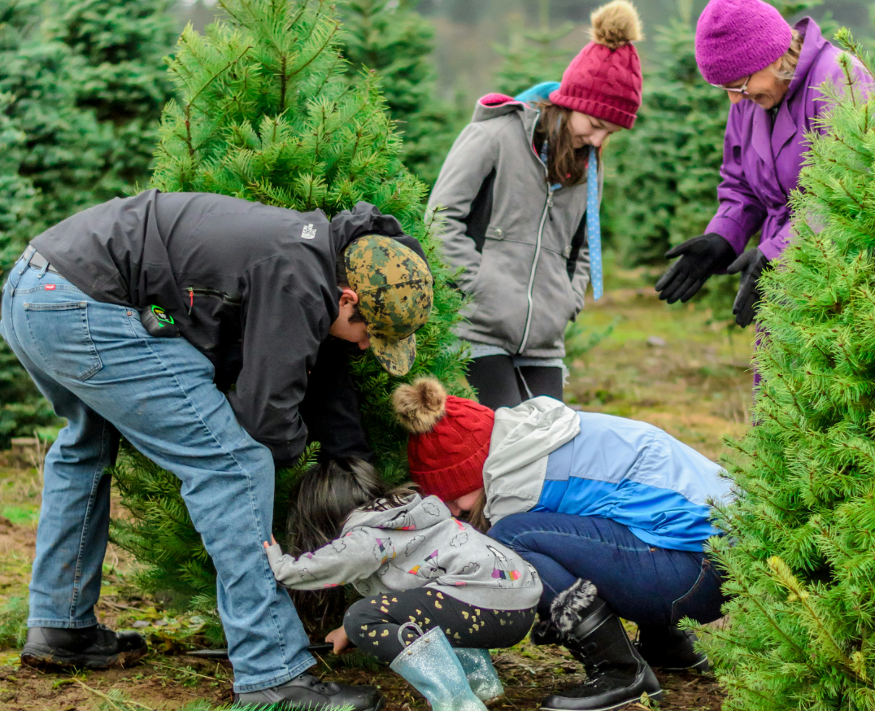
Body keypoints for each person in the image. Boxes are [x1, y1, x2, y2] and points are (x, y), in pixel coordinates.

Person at [0, 190, 433, 711]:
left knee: (86, 446)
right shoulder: (299, 280)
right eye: (368, 333)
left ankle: (60, 625)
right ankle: (271, 671)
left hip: (36, 288)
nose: (364, 346)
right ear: (348, 299)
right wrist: (298, 461)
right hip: (82, 304)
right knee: (234, 465)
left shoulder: (312, 249)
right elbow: (265, 419)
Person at [392, 378, 734, 711]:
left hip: (696, 575)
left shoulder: (516, 484)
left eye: (451, 497)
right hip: (724, 559)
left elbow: (493, 573)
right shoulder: (536, 434)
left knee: (508, 539)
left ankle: (620, 671)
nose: (452, 511)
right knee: (612, 519)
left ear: (470, 472)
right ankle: (665, 644)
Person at [427, 0, 643, 410]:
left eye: (609, 133)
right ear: (570, 103)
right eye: (595, 125)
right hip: (478, 330)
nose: (598, 141)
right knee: (504, 445)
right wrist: (476, 288)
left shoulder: (588, 167)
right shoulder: (495, 136)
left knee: (549, 449)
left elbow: (581, 250)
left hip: (544, 340)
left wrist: (566, 301)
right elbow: (440, 219)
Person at [655, 0, 873, 332]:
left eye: (740, 83)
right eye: (726, 88)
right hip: (780, 279)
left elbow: (847, 190)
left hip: (841, 279)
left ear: (771, 57)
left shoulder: (839, 78)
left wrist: (778, 253)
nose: (735, 99)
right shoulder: (751, 99)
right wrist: (723, 236)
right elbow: (741, 185)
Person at [264, 459, 542, 711]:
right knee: (436, 605)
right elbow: (410, 600)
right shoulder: (405, 517)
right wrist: (345, 630)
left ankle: (458, 704)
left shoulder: (366, 534)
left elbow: (330, 563)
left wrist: (282, 567)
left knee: (361, 616)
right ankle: (482, 685)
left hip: (484, 602)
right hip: (518, 602)